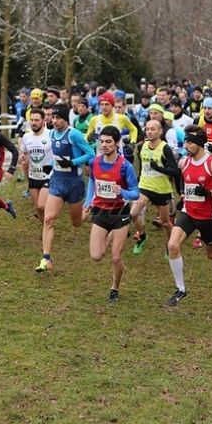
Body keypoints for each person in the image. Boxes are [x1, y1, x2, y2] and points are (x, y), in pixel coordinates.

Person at [166, 130, 212, 306]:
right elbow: (183, 179)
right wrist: (183, 196)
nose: (186, 146)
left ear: (199, 143)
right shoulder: (184, 162)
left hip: (208, 217)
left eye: (189, 143)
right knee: (172, 245)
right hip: (188, 213)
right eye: (185, 142)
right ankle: (181, 289)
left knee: (211, 254)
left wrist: (208, 192)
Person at [35, 104, 94, 272]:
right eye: (53, 118)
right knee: (48, 219)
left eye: (58, 118)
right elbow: (58, 157)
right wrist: (51, 165)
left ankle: (91, 205)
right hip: (57, 182)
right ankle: (46, 258)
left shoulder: (73, 134)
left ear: (65, 119)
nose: (55, 121)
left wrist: (73, 162)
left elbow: (90, 153)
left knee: (76, 223)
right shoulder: (52, 133)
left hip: (74, 184)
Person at [85, 126, 140, 303]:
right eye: (102, 141)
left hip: (120, 214)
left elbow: (135, 193)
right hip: (100, 212)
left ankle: (114, 288)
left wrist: (122, 192)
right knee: (96, 255)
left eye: (108, 142)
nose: (104, 145)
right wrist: (88, 201)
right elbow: (92, 181)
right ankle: (109, 237)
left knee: (116, 257)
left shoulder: (126, 166)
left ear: (117, 143)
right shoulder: (94, 162)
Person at [130, 119, 180, 256]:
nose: (149, 132)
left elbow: (175, 172)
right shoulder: (142, 147)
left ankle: (170, 245)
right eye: (147, 129)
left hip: (161, 190)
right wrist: (139, 180)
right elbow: (142, 167)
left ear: (160, 131)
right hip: (144, 187)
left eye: (153, 129)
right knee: (133, 214)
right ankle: (142, 235)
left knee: (164, 223)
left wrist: (159, 168)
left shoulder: (165, 148)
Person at [20, 108, 54, 222]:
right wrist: (23, 158)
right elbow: (24, 154)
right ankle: (46, 228)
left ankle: (49, 225)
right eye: (32, 120)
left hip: (48, 175)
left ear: (43, 120)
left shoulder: (51, 134)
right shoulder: (26, 137)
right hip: (34, 175)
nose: (33, 123)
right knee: (38, 208)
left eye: (37, 120)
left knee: (41, 205)